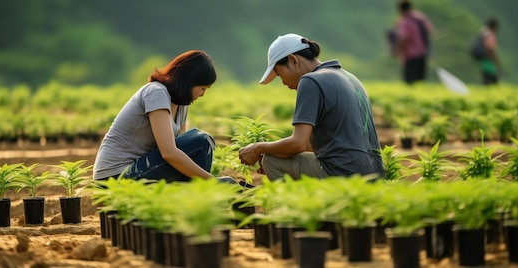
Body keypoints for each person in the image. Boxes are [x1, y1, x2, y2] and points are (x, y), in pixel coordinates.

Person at [238, 33, 386, 181]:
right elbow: (311, 145)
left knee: (271, 161)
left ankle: (294, 204)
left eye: (278, 73)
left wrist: (258, 148)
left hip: (343, 174)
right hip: (373, 175)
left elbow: (298, 143)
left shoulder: (310, 81)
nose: (283, 82)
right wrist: (279, 152)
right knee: (278, 158)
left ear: (293, 60)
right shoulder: (349, 77)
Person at [93, 50, 232, 183]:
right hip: (116, 175)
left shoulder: (181, 104)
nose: (202, 94)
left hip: (141, 167)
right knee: (201, 141)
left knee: (198, 146)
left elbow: (181, 150)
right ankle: (202, 197)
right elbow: (169, 153)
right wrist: (213, 181)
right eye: (202, 88)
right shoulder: (156, 93)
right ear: (189, 81)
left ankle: (194, 201)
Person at [394, 0, 433, 84]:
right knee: (420, 81)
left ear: (400, 9)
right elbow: (430, 31)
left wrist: (397, 51)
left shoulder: (405, 21)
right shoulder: (420, 18)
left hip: (411, 55)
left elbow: (404, 39)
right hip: (423, 53)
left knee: (410, 81)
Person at [476, 17, 502, 85]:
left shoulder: (484, 33)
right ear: (494, 26)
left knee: (486, 80)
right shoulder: (490, 35)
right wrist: (496, 61)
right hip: (489, 61)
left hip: (484, 61)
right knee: (492, 81)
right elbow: (490, 50)